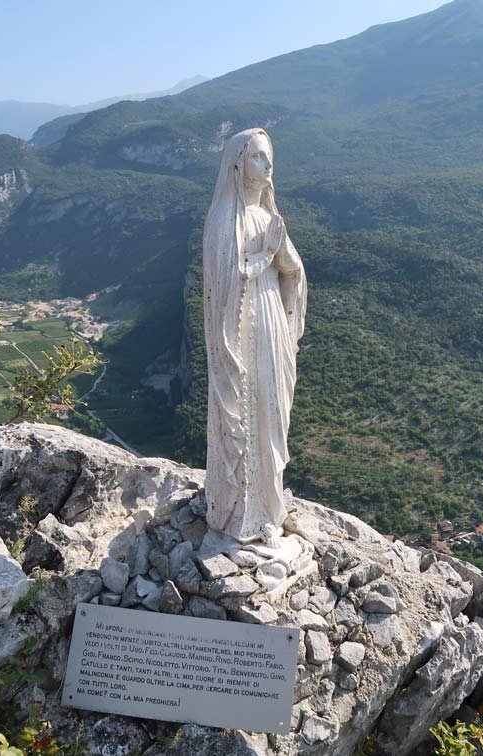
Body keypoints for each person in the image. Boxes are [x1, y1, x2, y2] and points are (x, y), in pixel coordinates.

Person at [202, 128, 307, 545]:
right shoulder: (224, 221)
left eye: (269, 157)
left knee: (273, 410)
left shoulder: (266, 217)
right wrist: (266, 255)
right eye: (258, 157)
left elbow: (292, 271)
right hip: (243, 328)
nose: (268, 164)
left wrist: (281, 256)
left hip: (271, 320)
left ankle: (270, 505)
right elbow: (227, 283)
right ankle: (243, 513)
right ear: (238, 163)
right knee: (250, 409)